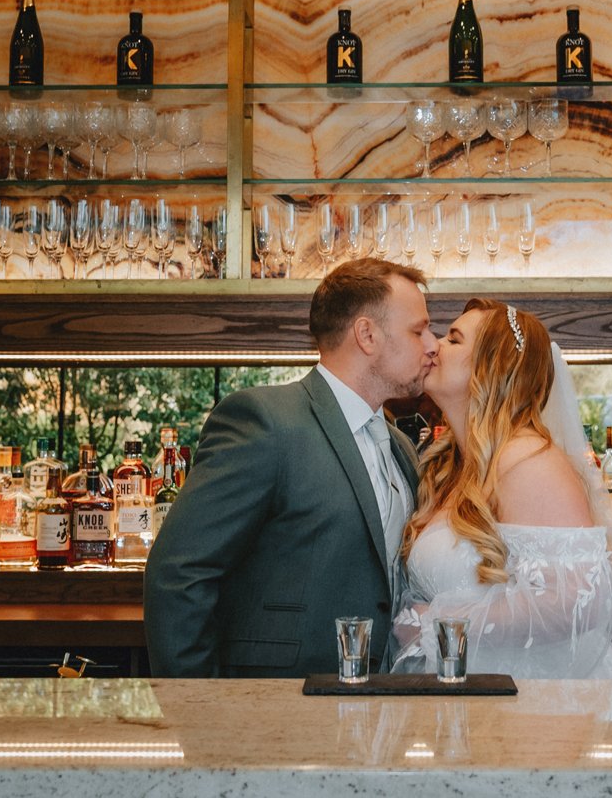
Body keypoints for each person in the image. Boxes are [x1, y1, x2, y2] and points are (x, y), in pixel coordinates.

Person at [144, 258, 435, 676]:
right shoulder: (264, 422)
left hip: (377, 710)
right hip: (277, 704)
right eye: (418, 330)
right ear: (367, 335)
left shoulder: (402, 448)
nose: (433, 344)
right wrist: (198, 709)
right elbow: (179, 575)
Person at [389, 299, 612, 679]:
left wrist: (439, 621)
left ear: (492, 368)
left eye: (454, 340)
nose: (434, 345)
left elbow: (581, 601)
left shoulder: (529, 461)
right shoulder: (452, 468)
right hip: (465, 697)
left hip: (531, 708)